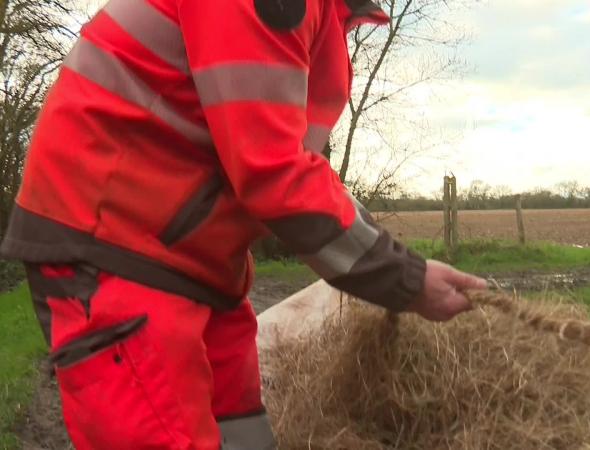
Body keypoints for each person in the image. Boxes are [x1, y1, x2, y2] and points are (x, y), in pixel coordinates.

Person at [0, 0, 487, 448]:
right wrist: (407, 279)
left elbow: (292, 166)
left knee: (245, 436)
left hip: (196, 264)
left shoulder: (324, 17)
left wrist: (399, 268)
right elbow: (275, 172)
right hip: (115, 251)